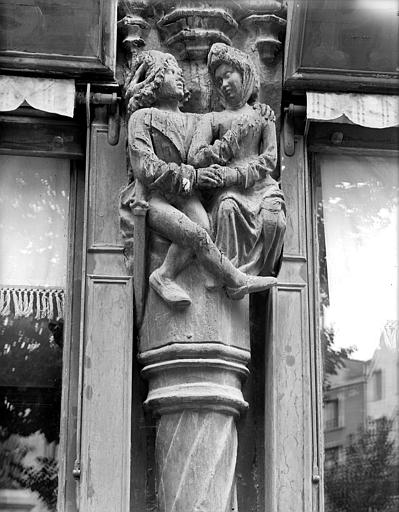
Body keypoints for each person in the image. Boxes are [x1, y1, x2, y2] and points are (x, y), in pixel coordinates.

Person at [120, 50, 277, 309]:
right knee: (195, 233)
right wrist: (193, 177)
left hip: (187, 195)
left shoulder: (195, 120)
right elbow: (145, 167)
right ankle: (233, 279)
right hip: (155, 197)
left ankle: (165, 274)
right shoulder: (143, 118)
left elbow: (201, 155)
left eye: (178, 71)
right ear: (155, 82)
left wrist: (250, 115)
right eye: (170, 72)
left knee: (204, 228)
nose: (179, 75)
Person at [188, 43, 286, 278]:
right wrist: (225, 147)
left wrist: (240, 174)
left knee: (275, 219)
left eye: (228, 75)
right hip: (228, 189)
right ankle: (228, 273)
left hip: (261, 186)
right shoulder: (212, 119)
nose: (224, 84)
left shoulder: (262, 115)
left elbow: (270, 158)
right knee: (227, 208)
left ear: (244, 72)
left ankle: (262, 271)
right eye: (218, 80)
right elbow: (195, 156)